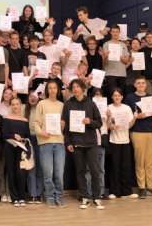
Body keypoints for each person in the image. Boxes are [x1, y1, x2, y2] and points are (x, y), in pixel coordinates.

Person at [61, 79, 104, 210]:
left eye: (78, 87)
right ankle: (85, 197)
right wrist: (68, 142)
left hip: (91, 143)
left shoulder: (91, 103)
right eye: (73, 87)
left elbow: (99, 123)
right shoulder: (68, 104)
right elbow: (65, 125)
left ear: (83, 88)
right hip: (76, 143)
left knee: (95, 171)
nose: (75, 89)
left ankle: (96, 197)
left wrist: (90, 121)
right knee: (80, 171)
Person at [124, 75, 152, 198]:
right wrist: (136, 116)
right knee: (140, 161)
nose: (141, 85)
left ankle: (151, 187)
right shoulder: (130, 98)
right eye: (138, 83)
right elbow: (125, 115)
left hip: (151, 131)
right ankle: (142, 187)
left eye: (143, 83)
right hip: (137, 131)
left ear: (146, 85)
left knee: (150, 161)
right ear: (135, 85)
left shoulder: (150, 98)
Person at [33, 80, 66, 208]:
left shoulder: (62, 105)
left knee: (59, 173)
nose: (52, 90)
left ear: (58, 90)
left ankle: (59, 196)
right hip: (45, 142)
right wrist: (41, 133)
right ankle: (50, 197)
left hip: (59, 142)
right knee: (48, 173)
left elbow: (65, 125)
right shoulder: (41, 104)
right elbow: (36, 123)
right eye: (50, 88)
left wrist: (63, 125)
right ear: (47, 90)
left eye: (54, 88)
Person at [106, 88, 137, 199]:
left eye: (119, 95)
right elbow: (107, 126)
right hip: (114, 141)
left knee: (126, 167)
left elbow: (129, 125)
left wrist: (134, 118)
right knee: (114, 167)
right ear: (112, 97)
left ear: (122, 97)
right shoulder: (108, 107)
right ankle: (114, 192)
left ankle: (127, 191)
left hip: (125, 141)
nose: (117, 97)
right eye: (115, 95)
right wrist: (111, 125)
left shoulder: (127, 108)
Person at [2, 97, 30, 207]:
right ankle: (14, 198)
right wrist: (13, 135)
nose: (15, 106)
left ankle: (21, 197)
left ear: (21, 105)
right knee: (11, 172)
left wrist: (23, 140)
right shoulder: (7, 118)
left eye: (17, 104)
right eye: (13, 104)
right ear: (11, 106)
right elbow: (3, 134)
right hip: (9, 148)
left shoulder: (25, 120)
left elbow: (27, 136)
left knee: (21, 173)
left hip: (21, 149)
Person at [25, 92, 44, 204]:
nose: (33, 98)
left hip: (40, 138)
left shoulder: (42, 108)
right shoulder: (24, 109)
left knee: (40, 168)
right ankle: (32, 194)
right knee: (31, 167)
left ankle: (39, 194)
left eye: (35, 96)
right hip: (28, 140)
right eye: (30, 96)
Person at [102, 24, 129, 94]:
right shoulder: (106, 44)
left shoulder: (123, 45)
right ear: (110, 32)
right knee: (112, 94)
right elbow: (105, 62)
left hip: (122, 74)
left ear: (119, 32)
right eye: (113, 31)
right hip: (110, 73)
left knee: (120, 94)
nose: (115, 33)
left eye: (117, 32)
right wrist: (105, 56)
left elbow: (127, 60)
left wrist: (119, 56)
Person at [92, 88, 108, 199]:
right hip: (92, 140)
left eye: (100, 94)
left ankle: (101, 192)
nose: (98, 96)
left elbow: (108, 125)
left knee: (101, 169)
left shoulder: (106, 108)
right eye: (96, 95)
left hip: (102, 140)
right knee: (89, 168)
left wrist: (109, 116)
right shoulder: (89, 107)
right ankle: (89, 192)